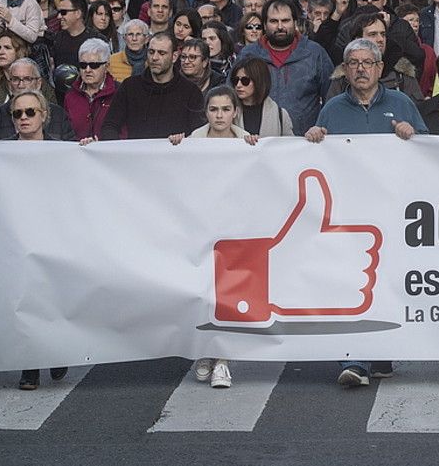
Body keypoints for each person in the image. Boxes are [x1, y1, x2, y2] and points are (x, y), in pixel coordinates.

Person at [306, 37, 426, 388]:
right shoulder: (332, 108)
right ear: (345, 70)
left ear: (378, 68)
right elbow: (316, 155)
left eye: (367, 63)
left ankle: (379, 350)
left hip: (393, 210)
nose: (360, 69)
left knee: (386, 279)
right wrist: (314, 135)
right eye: (353, 63)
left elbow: (431, 153)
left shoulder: (402, 103)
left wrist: (413, 134)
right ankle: (354, 359)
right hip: (350, 212)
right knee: (353, 281)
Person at [0, 90, 71, 391]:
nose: (24, 118)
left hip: (53, 234)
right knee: (23, 301)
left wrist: (87, 150)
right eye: (17, 113)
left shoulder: (62, 150)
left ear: (43, 115)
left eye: (30, 112)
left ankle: (57, 351)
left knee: (51, 300)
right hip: (16, 236)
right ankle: (30, 367)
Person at [171, 85, 255, 389]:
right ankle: (205, 351)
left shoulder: (248, 142)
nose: (219, 115)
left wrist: (257, 150)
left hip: (234, 228)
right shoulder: (193, 140)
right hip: (201, 227)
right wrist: (175, 146)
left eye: (225, 109)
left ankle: (222, 359)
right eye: (213, 109)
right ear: (206, 112)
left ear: (235, 111)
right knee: (203, 291)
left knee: (228, 292)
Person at [238, 0, 333, 135]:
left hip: (305, 141)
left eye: (285, 20)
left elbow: (331, 98)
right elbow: (232, 96)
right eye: (274, 21)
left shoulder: (315, 53)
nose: (280, 26)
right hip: (257, 143)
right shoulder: (248, 55)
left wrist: (320, 127)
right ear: (264, 24)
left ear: (295, 22)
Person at [98, 32, 204, 140]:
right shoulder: (130, 87)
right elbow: (109, 126)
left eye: (162, 53)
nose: (154, 57)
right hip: (136, 155)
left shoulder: (190, 91)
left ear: (174, 56)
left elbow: (199, 133)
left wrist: (184, 140)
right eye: (151, 52)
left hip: (175, 155)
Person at [225, 56, 294, 137]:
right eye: (235, 80)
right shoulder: (227, 111)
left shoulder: (280, 115)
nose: (238, 85)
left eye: (245, 81)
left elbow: (289, 146)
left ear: (258, 81)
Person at [64, 39, 119, 140]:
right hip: (76, 153)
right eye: (83, 65)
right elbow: (66, 131)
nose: (88, 70)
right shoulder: (70, 95)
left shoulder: (119, 93)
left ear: (106, 66)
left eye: (94, 65)